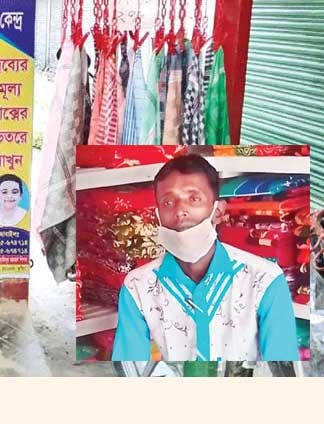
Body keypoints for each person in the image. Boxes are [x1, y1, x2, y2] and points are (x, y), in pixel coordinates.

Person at [111, 154, 298, 362]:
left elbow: (282, 368)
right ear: (157, 216)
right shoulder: (138, 286)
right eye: (168, 202)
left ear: (218, 212)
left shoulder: (265, 280)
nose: (180, 211)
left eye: (194, 199)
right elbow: (128, 366)